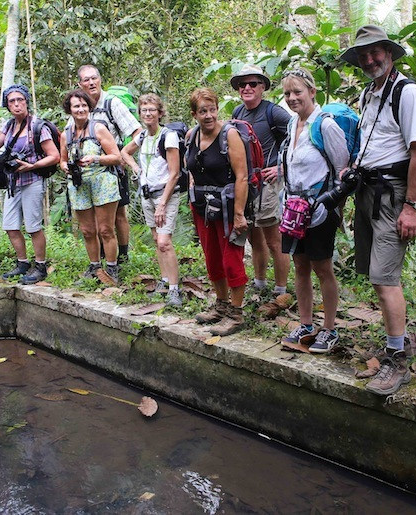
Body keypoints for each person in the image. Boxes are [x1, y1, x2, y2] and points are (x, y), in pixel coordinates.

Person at [340, 26, 416, 396]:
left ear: (390, 53)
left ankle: (398, 362)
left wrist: (411, 206)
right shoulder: (369, 92)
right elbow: (374, 140)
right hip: (369, 189)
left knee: (385, 276)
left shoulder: (408, 92)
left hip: (393, 194)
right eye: (362, 55)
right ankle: (394, 345)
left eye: (375, 52)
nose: (369, 60)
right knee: (375, 275)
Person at [277, 69, 350, 354]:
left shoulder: (325, 125)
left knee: (322, 267)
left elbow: (342, 169)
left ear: (312, 92)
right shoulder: (292, 124)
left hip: (319, 209)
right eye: (287, 93)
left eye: (298, 92)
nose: (293, 98)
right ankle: (306, 324)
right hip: (293, 208)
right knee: (299, 264)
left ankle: (329, 329)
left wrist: (332, 205)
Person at [187, 88, 250, 336]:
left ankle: (236, 312)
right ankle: (221, 304)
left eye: (212, 109)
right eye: (203, 111)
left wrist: (239, 214)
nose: (209, 115)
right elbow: (190, 166)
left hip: (227, 206)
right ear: (194, 114)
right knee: (212, 257)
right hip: (203, 207)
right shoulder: (191, 136)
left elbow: (242, 176)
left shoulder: (229, 135)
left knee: (231, 258)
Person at [0, 84, 60, 285]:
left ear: (26, 102)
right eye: (12, 101)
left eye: (20, 100)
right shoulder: (8, 126)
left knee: (34, 226)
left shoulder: (37, 127)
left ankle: (41, 266)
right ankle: (22, 263)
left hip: (32, 181)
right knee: (10, 225)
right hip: (13, 182)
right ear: (7, 105)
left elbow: (54, 156)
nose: (17, 104)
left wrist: (32, 165)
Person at [230, 64, 292, 298]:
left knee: (274, 238)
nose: (247, 88)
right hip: (247, 182)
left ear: (263, 87)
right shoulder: (238, 113)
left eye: (253, 84)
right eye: (242, 84)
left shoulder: (273, 112)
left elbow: (299, 137)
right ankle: (259, 283)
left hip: (269, 181)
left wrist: (282, 168)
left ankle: (281, 289)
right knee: (254, 236)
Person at [121, 94, 183, 306]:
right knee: (157, 240)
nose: (148, 114)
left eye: (152, 110)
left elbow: (174, 173)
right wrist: (136, 168)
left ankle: (175, 289)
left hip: (165, 195)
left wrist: (163, 204)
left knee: (165, 242)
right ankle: (164, 281)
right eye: (144, 110)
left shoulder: (169, 136)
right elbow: (125, 152)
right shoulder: (142, 137)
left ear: (160, 112)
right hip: (147, 194)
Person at [77, 65, 141, 264]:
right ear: (80, 84)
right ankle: (102, 256)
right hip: (90, 171)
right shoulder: (80, 106)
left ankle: (122, 257)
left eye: (94, 78)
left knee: (119, 212)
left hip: (113, 167)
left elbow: (138, 132)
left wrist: (124, 155)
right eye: (86, 80)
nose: (91, 83)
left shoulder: (111, 104)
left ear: (100, 79)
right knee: (96, 214)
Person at [61, 89, 124, 285]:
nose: (80, 109)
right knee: (87, 231)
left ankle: (112, 269)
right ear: (69, 110)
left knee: (106, 229)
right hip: (79, 185)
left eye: (83, 105)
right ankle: (95, 267)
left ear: (89, 107)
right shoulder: (66, 134)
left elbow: (117, 157)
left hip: (102, 182)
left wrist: (95, 158)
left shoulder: (98, 129)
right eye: (76, 106)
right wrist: (66, 167)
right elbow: (62, 160)